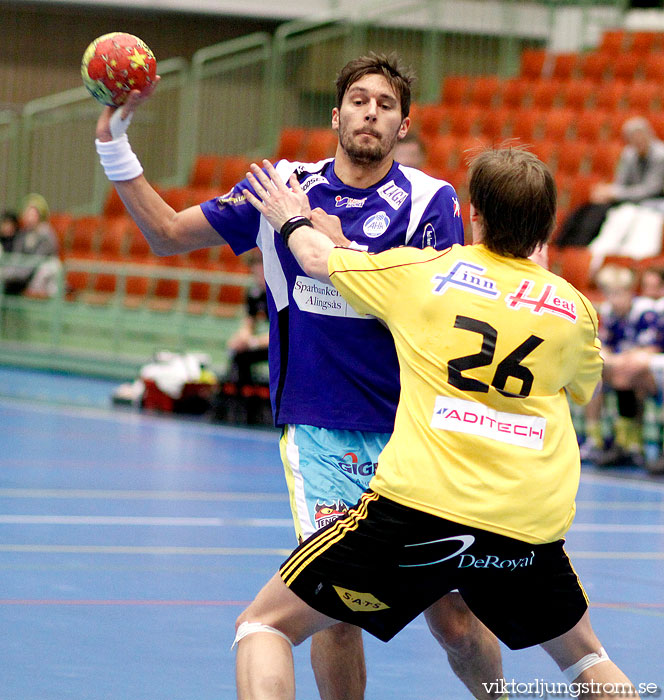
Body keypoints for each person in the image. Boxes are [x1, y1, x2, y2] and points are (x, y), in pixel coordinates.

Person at [93, 52, 506, 700]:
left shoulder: (431, 201)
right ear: (335, 114)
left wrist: (338, 251)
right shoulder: (281, 188)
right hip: (321, 432)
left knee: (453, 618)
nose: (372, 112)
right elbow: (170, 233)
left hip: (414, 435)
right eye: (360, 100)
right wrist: (113, 144)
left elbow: (438, 309)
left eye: (387, 105)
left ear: (403, 126)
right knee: (335, 611)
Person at [234, 147, 639, 700]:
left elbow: (314, 259)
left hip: (420, 509)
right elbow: (582, 384)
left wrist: (293, 217)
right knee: (587, 656)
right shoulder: (576, 311)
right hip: (528, 519)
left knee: (264, 625)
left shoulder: (426, 273)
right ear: (546, 228)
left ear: (475, 216)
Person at [555, 116, 664, 265]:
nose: (638, 141)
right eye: (633, 138)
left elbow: (651, 190)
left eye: (641, 136)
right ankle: (572, 247)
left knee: (626, 218)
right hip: (629, 202)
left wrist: (614, 193)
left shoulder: (660, 155)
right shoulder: (629, 154)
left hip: (653, 204)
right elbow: (620, 182)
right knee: (592, 209)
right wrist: (608, 191)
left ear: (649, 135)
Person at [0, 195, 61, 297]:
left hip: (40, 277)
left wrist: (13, 274)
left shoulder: (46, 234)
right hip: (23, 274)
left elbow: (36, 261)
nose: (28, 217)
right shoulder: (23, 234)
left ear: (40, 214)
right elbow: (16, 256)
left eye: (32, 214)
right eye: (27, 214)